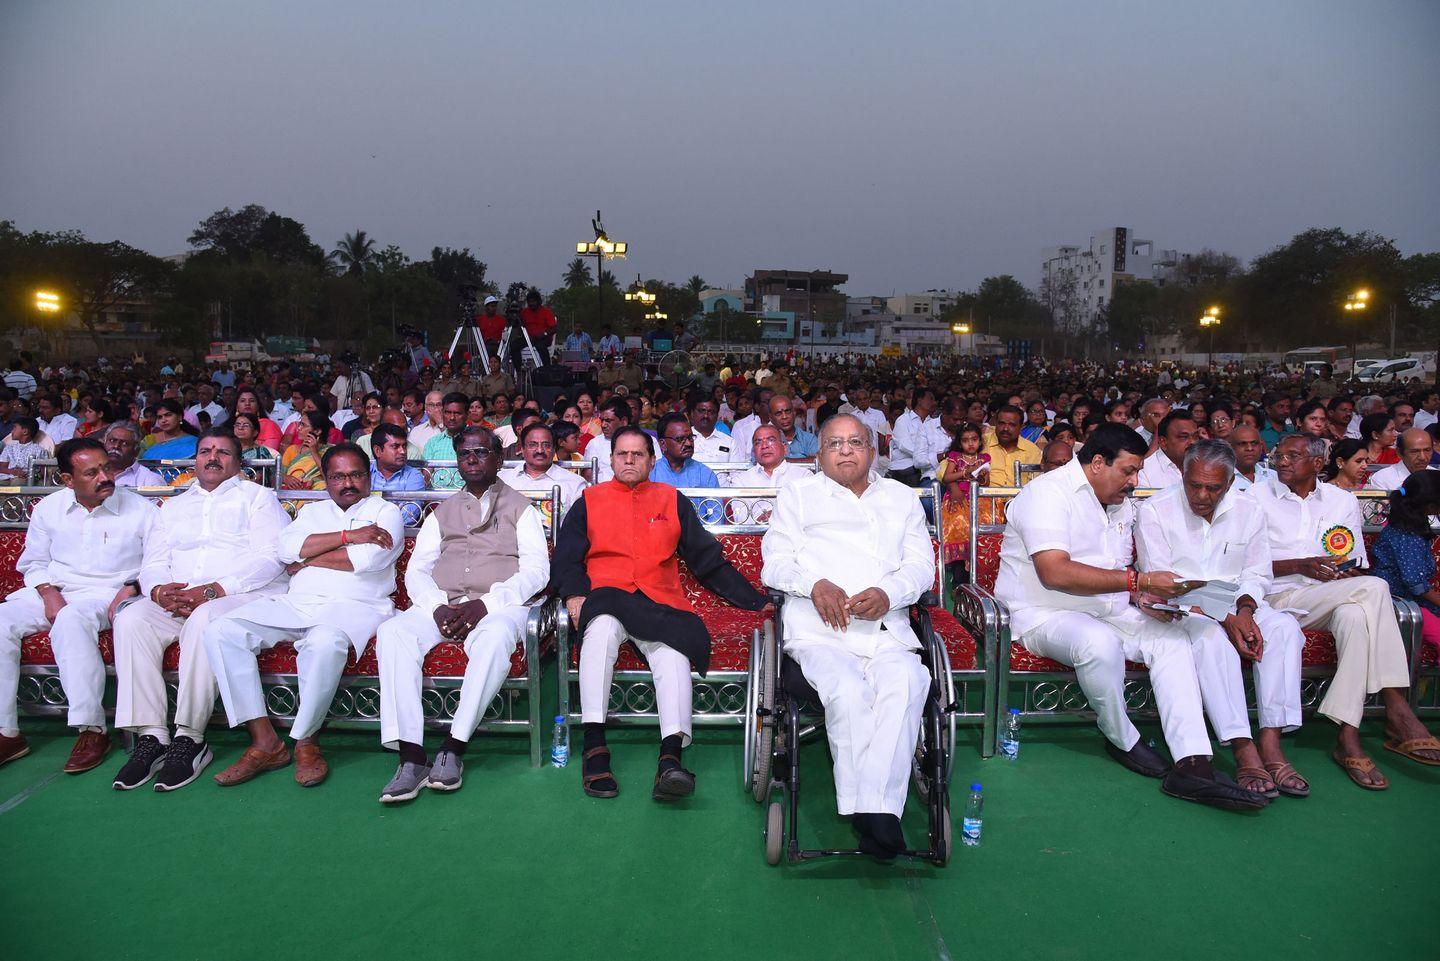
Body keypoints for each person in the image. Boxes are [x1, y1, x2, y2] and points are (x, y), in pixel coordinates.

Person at [993, 423, 1264, 810]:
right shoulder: (1046, 494)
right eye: (1129, 471)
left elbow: (1117, 568)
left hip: (1108, 607)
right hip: (1043, 613)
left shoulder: (1118, 501)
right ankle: (1123, 738)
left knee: (1173, 640)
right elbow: (1054, 572)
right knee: (1096, 643)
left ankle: (1193, 763)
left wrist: (1144, 595)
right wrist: (1139, 580)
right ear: (1098, 463)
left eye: (1137, 472)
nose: (1136, 481)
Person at [552, 427, 769, 800]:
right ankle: (594, 745)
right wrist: (574, 594)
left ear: (652, 461)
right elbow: (566, 557)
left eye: (638, 454)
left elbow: (707, 560)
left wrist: (753, 600)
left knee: (673, 651)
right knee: (600, 631)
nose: (630, 460)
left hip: (659, 600)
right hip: (607, 596)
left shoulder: (671, 499)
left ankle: (670, 757)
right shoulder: (589, 500)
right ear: (611, 460)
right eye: (623, 454)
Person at [761, 413, 936, 858]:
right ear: (818, 454)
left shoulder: (900, 497)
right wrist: (814, 583)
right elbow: (775, 563)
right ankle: (876, 815)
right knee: (848, 691)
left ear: (873, 453)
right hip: (820, 632)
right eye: (834, 443)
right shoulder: (798, 495)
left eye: (856, 442)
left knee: (909, 683)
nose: (845, 450)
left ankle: (872, 808)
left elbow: (920, 567)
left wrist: (889, 591)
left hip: (885, 629)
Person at [204, 444, 404, 787]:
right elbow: (285, 550)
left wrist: (308, 557)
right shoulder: (312, 512)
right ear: (325, 480)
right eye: (338, 476)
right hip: (298, 602)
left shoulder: (386, 512)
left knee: (326, 642)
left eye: (356, 474)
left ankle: (306, 742)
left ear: (367, 475)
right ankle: (265, 740)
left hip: (356, 607)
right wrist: (348, 537)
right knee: (222, 629)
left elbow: (367, 560)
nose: (348, 483)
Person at [1252, 434, 1439, 789]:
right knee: (1376, 588)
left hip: (1330, 594)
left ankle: (1347, 734)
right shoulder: (1255, 498)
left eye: (1294, 456)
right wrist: (1300, 564)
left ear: (1318, 464)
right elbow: (1242, 564)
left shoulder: (1342, 501)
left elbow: (1357, 561)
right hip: (1274, 597)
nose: (1282, 461)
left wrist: (1346, 569)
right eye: (1280, 455)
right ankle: (1395, 703)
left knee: (1357, 614)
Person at [110, 429, 291, 791]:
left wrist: (213, 590)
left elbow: (271, 557)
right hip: (179, 597)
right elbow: (154, 561)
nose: (212, 457)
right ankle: (152, 735)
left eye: (223, 452)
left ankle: (190, 737)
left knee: (207, 620)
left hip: (240, 595)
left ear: (239, 463)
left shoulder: (258, 498)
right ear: (195, 459)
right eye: (205, 451)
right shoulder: (174, 506)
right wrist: (160, 590)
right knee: (131, 618)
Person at [376, 426, 550, 802]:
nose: (471, 459)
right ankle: (412, 754)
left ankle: (454, 747)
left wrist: (484, 604)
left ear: (499, 458)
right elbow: (417, 569)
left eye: (481, 452)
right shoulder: (442, 513)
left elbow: (537, 571)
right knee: (394, 633)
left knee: (495, 638)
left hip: (498, 607)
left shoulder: (522, 508)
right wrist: (436, 606)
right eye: (464, 454)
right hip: (443, 605)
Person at [1135, 440, 1309, 799]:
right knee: (1210, 638)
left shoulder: (1249, 508)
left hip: (1239, 603)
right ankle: (1243, 747)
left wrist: (1244, 611)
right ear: (1182, 476)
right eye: (1193, 484)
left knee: (1284, 630)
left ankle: (1271, 744)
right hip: (1183, 609)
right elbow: (1163, 581)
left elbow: (1258, 574)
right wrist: (1227, 618)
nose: (1201, 495)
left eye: (1212, 488)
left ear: (1230, 484)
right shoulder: (1155, 510)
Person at [0, 439, 157, 772]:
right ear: (68, 480)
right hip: (54, 588)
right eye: (91, 472)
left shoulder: (141, 509)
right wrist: (47, 590)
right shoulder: (49, 508)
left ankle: (92, 729)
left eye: (106, 468)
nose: (104, 477)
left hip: (108, 593)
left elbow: (159, 561)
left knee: (71, 620)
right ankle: (7, 733)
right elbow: (34, 561)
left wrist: (133, 585)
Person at [1371, 471, 1440, 660]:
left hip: (1412, 601)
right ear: (1431, 506)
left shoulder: (1408, 526)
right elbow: (1415, 583)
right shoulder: (1407, 535)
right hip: (1400, 603)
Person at [935, 422, 990, 582]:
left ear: (980, 441)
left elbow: (986, 483)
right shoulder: (955, 457)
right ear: (960, 443)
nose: (970, 443)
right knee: (960, 531)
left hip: (977, 500)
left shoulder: (984, 458)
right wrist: (965, 472)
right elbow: (946, 477)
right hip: (957, 500)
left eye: (974, 439)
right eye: (966, 440)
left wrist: (981, 476)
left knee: (978, 532)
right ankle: (959, 581)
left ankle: (977, 579)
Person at [497, 421, 586, 516]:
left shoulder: (575, 484)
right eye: (533, 445)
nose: (540, 450)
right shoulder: (502, 479)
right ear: (522, 449)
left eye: (546, 445)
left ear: (554, 449)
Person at [889, 389, 946, 486]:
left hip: (928, 468)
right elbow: (904, 446)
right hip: (905, 467)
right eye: (930, 399)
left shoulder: (933, 423)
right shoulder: (903, 420)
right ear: (919, 400)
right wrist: (929, 457)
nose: (934, 402)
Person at [726, 424, 809, 489]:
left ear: (784, 448)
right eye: (758, 442)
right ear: (753, 451)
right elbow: (740, 510)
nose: (764, 446)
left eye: (771, 440)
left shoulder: (803, 476)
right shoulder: (741, 481)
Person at [982, 405, 1042, 487]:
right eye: (1001, 423)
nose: (1006, 428)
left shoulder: (1033, 451)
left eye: (1012, 425)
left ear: (1021, 427)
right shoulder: (982, 443)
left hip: (1019, 499)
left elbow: (1035, 484)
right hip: (985, 498)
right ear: (995, 423)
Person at [1135, 410, 1197, 489]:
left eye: (1195, 436)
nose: (1193, 442)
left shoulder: (1204, 465)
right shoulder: (1143, 471)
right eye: (1184, 437)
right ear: (1163, 442)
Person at [422, 392, 471, 490]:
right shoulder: (433, 442)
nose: (452, 418)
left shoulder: (476, 440)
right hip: (438, 501)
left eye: (457, 413)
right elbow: (426, 475)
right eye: (447, 412)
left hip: (468, 498)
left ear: (467, 415)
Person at [1367, 429, 1434, 492]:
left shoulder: (1436, 476)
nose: (1422, 457)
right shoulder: (1382, 479)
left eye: (1427, 450)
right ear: (1399, 453)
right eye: (1415, 451)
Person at [585, 397, 632, 484]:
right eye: (602, 420)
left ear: (624, 421)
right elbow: (589, 477)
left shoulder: (646, 441)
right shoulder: (595, 443)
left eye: (608, 421)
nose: (603, 425)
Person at [280, 410, 332, 490]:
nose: (298, 428)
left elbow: (330, 478)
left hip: (318, 497)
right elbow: (277, 476)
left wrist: (314, 452)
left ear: (317, 431)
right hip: (291, 496)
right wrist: (285, 478)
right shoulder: (291, 450)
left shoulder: (331, 451)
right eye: (300, 424)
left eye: (303, 425)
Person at [103, 420, 165, 486]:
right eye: (112, 441)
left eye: (125, 443)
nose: (116, 446)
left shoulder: (150, 480)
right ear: (103, 444)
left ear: (136, 451)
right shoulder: (92, 473)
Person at [766, 395, 820, 462]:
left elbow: (817, 462)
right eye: (778, 414)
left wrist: (781, 462)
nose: (784, 416)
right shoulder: (765, 442)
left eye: (788, 411)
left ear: (794, 413)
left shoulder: (809, 439)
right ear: (770, 418)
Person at [1227, 425, 1274, 492]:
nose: (1250, 448)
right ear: (1231, 447)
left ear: (1261, 447)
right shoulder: (1223, 479)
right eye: (1242, 444)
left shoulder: (1274, 477)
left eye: (1254, 443)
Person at [688, 394, 732, 463]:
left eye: (710, 412)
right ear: (692, 413)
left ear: (717, 415)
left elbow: (736, 473)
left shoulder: (730, 442)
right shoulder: (682, 440)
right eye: (701, 411)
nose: (706, 415)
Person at [520, 288, 558, 366]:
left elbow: (554, 328)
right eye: (529, 302)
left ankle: (547, 368)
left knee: (540, 346)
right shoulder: (524, 312)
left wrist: (543, 334)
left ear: (538, 301)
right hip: (529, 339)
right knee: (514, 345)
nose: (531, 304)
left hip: (543, 338)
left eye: (533, 301)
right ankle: (519, 369)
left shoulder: (546, 312)